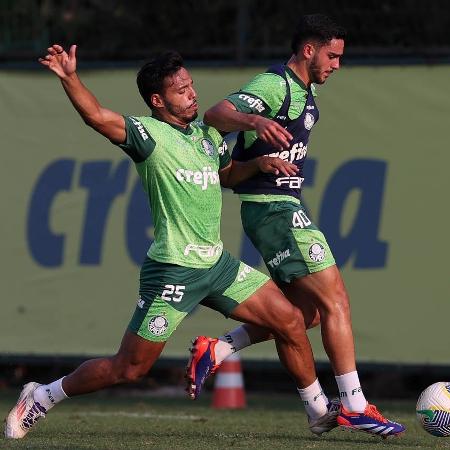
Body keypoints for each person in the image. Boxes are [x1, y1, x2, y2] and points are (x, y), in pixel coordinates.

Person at [5, 44, 327, 440]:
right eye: (181, 89)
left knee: (292, 320)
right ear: (158, 100)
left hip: (218, 265)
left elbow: (226, 175)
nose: (192, 94)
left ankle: (318, 412)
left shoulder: (208, 137)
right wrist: (70, 77)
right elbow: (96, 116)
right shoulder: (148, 135)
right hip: (174, 269)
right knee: (130, 368)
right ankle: (43, 395)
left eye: (191, 85)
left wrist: (258, 165)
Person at [186, 14, 405, 438]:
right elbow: (216, 113)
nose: (337, 64)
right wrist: (254, 121)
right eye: (332, 55)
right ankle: (356, 405)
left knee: (302, 315)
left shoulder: (305, 90)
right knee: (336, 297)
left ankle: (220, 348)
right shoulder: (276, 85)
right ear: (309, 50)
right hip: (274, 210)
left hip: (277, 208)